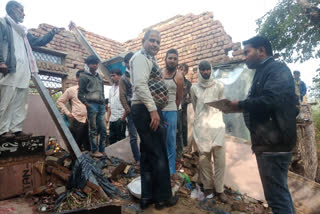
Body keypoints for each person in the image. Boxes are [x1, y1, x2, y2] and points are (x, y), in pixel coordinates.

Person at [224, 36, 296, 214]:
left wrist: (240, 105)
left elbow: (271, 100)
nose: (244, 56)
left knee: (277, 198)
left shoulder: (277, 69)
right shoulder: (264, 71)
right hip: (267, 143)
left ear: (261, 51)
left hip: (274, 144)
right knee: (277, 196)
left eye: (247, 52)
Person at [130, 29, 178, 210]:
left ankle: (147, 197)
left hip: (144, 110)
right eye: (152, 40)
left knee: (148, 154)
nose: (155, 45)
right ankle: (163, 198)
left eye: (158, 42)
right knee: (159, 154)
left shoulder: (149, 59)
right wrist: (153, 111)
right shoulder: (141, 58)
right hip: (145, 110)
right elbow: (141, 86)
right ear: (144, 41)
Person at [0, 1, 62, 137]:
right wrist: (1, 62)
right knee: (5, 99)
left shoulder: (22, 31)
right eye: (21, 10)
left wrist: (52, 33)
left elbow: (38, 42)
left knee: (20, 100)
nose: (23, 13)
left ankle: (16, 129)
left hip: (24, 70)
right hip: (10, 68)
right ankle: (2, 130)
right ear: (11, 9)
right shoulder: (3, 23)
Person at [190, 60, 228, 203]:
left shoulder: (219, 86)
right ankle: (208, 188)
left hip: (217, 126)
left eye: (207, 69)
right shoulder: (194, 88)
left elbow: (223, 104)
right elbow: (195, 107)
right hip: (202, 128)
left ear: (211, 70)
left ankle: (220, 191)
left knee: (220, 161)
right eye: (202, 70)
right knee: (204, 160)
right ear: (199, 71)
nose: (205, 72)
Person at [78, 55, 106, 158]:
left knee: (103, 128)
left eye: (96, 63)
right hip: (92, 105)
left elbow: (102, 91)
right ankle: (94, 150)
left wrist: (103, 103)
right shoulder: (84, 77)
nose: (95, 65)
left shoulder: (99, 77)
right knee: (93, 129)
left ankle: (102, 150)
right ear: (88, 65)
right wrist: (87, 104)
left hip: (101, 105)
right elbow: (80, 94)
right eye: (93, 63)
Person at [161, 49, 184, 175]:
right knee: (159, 140)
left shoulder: (179, 77)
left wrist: (171, 109)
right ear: (165, 59)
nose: (172, 60)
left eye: (175, 58)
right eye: (170, 58)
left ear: (177, 61)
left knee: (171, 141)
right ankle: (160, 167)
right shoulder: (159, 73)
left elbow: (178, 98)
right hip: (158, 111)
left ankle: (170, 171)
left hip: (171, 111)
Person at [57, 70, 90, 152]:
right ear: (77, 78)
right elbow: (60, 101)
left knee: (88, 145)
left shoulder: (90, 91)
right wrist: (68, 113)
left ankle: (87, 162)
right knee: (76, 145)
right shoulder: (71, 90)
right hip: (77, 120)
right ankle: (76, 163)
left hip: (89, 120)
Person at [119, 52, 140, 163]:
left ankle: (145, 157)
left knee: (144, 134)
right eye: (129, 62)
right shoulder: (123, 78)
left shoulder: (138, 73)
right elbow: (122, 96)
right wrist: (128, 110)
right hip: (132, 110)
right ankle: (138, 159)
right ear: (126, 63)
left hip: (141, 109)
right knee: (133, 137)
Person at [176, 63, 192, 161]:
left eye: (184, 70)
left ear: (186, 72)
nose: (182, 71)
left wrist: (185, 102)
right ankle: (177, 147)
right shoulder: (174, 80)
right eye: (180, 69)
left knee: (183, 126)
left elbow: (191, 97)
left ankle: (183, 147)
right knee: (176, 127)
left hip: (183, 109)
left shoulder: (188, 84)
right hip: (174, 107)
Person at [106, 68, 126, 144]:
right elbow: (109, 104)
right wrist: (108, 118)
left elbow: (127, 104)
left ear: (120, 76)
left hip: (120, 117)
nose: (112, 78)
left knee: (121, 140)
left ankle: (120, 156)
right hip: (112, 119)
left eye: (114, 76)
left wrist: (123, 118)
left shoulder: (124, 87)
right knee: (111, 139)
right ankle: (112, 156)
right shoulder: (111, 89)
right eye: (111, 76)